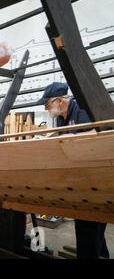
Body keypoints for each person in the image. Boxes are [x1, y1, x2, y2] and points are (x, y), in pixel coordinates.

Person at [38, 82, 110, 259]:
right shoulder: (62, 117)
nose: (46, 108)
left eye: (47, 104)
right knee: (90, 229)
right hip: (82, 181)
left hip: (98, 180)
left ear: (59, 101)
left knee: (90, 226)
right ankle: (102, 254)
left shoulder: (83, 111)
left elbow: (96, 139)